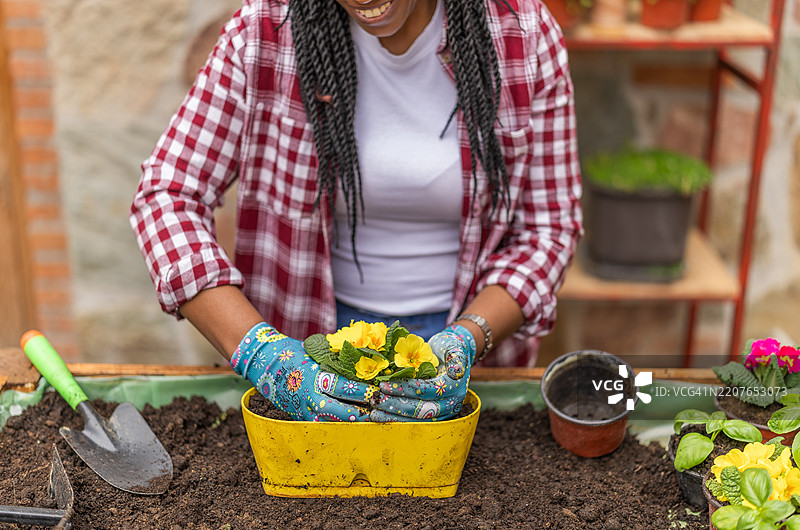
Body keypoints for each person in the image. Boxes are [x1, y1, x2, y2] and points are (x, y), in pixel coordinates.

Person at [130, 0, 582, 422]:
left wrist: (468, 338)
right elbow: (167, 193)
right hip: (307, 351)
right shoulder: (265, 31)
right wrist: (263, 354)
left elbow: (549, 229)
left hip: (470, 350)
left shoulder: (522, 33)